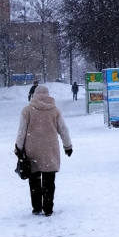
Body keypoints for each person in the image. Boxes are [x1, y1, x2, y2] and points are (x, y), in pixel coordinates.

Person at [15, 85, 73, 217]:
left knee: (34, 181)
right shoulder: (55, 111)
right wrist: (67, 146)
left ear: (34, 95)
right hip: (50, 150)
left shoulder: (27, 110)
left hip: (32, 150)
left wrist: (18, 148)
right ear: (48, 94)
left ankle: (36, 207)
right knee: (49, 180)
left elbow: (21, 132)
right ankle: (48, 208)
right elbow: (63, 130)